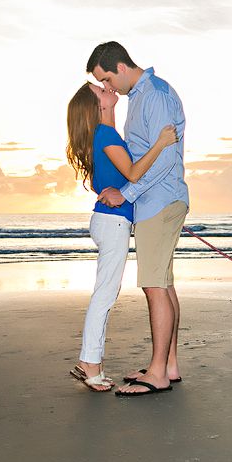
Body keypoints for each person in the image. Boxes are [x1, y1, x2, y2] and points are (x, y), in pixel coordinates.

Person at [87, 41, 189, 396]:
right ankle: (168, 366)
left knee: (154, 285)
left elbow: (162, 160)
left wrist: (125, 194)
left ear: (120, 66)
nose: (108, 87)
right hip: (157, 202)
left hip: (157, 202)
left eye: (107, 79)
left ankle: (158, 373)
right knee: (164, 282)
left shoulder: (155, 96)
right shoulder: (139, 99)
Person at [66, 81, 179, 392]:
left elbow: (123, 180)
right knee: (105, 294)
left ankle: (91, 362)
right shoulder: (105, 134)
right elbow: (132, 174)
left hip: (109, 221)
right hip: (112, 223)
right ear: (98, 106)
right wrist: (161, 142)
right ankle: (89, 363)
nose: (106, 88)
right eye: (99, 90)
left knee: (105, 292)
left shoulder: (107, 135)